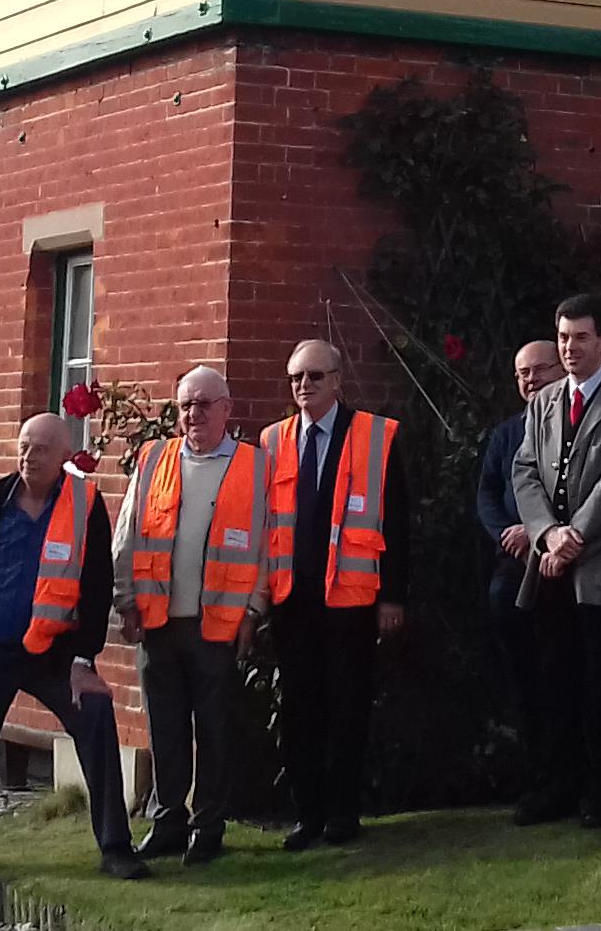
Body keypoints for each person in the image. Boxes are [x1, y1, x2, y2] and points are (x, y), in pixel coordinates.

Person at [0, 412, 147, 911]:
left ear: (65, 454)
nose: (29, 457)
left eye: (40, 448)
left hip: (52, 653)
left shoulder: (86, 505)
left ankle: (116, 848)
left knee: (96, 714)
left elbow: (96, 587)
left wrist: (83, 660)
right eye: (23, 446)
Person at [510, 293, 601, 828]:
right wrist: (547, 534)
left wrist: (576, 536)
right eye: (563, 337)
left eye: (581, 338)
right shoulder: (543, 402)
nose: (570, 347)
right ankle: (557, 785)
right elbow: (525, 470)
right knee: (555, 679)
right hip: (549, 565)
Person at [260, 338, 411, 850]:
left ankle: (343, 814)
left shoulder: (375, 435)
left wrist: (393, 596)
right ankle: (307, 816)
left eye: (315, 376)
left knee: (348, 709)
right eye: (296, 378)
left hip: (352, 599)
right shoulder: (273, 440)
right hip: (292, 598)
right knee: (300, 710)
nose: (304, 386)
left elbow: (398, 522)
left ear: (337, 381)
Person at [112, 366, 262, 866]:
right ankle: (168, 822)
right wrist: (125, 599)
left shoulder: (254, 467)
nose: (193, 414)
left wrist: (254, 610)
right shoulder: (154, 459)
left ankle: (208, 826)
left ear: (227, 409)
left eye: (203, 404)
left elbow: (269, 544)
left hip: (218, 622)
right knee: (165, 727)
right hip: (158, 620)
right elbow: (127, 533)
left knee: (214, 729)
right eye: (185, 405)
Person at [477, 341, 561, 770]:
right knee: (520, 675)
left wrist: (536, 532)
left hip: (559, 565)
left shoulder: (570, 426)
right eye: (523, 373)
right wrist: (504, 533)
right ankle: (533, 769)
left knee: (558, 674)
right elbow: (487, 493)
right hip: (512, 565)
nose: (531, 380)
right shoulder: (507, 433)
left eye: (539, 370)